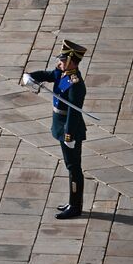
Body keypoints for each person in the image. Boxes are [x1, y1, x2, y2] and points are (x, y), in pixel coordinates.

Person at [23, 40, 88, 220]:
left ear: (71, 61)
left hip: (70, 130)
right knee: (70, 166)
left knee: (73, 167)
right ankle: (72, 202)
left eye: (63, 60)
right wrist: (30, 76)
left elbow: (73, 112)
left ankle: (75, 206)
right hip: (60, 125)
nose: (59, 63)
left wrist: (69, 134)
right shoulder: (62, 72)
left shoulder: (76, 84)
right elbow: (48, 75)